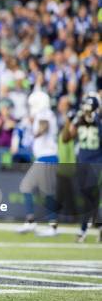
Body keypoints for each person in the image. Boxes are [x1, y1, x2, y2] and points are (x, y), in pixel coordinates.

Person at [16, 90, 59, 237]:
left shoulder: (44, 113)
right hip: (43, 158)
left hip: (47, 157)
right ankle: (31, 221)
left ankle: (52, 227)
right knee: (27, 187)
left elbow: (44, 126)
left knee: (47, 193)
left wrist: (33, 133)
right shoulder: (44, 113)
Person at [63, 93, 101, 243]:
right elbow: (66, 138)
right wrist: (69, 121)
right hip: (82, 162)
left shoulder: (99, 122)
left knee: (89, 195)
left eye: (89, 109)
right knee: (88, 196)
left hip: (96, 162)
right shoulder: (79, 121)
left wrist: (96, 122)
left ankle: (83, 229)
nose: (87, 112)